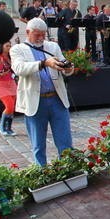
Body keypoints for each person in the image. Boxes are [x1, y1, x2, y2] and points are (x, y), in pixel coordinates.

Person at [10, 18, 75, 166]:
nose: (40, 38)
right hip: (35, 101)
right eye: (37, 35)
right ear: (27, 32)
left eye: (43, 35)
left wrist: (68, 68)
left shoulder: (52, 46)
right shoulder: (18, 49)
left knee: (65, 141)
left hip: (57, 99)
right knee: (38, 144)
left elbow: (64, 68)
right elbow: (19, 68)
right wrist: (44, 63)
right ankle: (42, 172)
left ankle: (68, 169)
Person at [0, 41, 18, 136]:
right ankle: (2, 126)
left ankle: (8, 127)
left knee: (12, 107)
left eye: (10, 45)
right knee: (9, 106)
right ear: (2, 47)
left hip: (11, 83)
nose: (9, 47)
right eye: (7, 46)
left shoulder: (10, 58)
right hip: (1, 84)